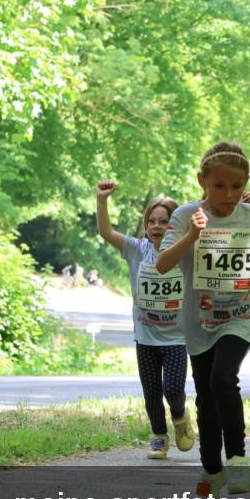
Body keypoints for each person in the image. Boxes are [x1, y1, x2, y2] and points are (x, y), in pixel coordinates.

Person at [156, 141, 250, 499]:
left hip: (243, 314)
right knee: (205, 395)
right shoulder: (185, 216)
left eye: (236, 186)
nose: (229, 194)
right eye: (219, 186)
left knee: (222, 378)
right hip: (201, 319)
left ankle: (239, 460)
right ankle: (212, 469)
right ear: (202, 181)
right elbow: (163, 263)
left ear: (246, 185)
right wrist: (193, 235)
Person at [95, 183, 194, 460]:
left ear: (174, 224)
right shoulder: (137, 249)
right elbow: (106, 232)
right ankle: (159, 437)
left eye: (164, 221)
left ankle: (180, 416)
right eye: (152, 221)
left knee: (173, 389)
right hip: (146, 336)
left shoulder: (185, 251)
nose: (157, 226)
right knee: (151, 393)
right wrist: (101, 200)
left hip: (176, 337)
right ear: (145, 224)